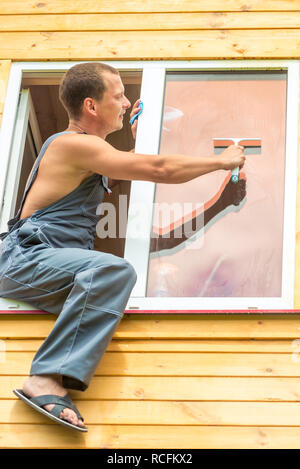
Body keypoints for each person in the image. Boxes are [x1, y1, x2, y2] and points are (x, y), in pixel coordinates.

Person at [0, 62, 245, 432]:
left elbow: (154, 234)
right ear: (91, 106)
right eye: (119, 96)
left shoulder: (90, 158)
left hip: (40, 263)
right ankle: (44, 379)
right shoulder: (71, 145)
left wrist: (220, 205)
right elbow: (159, 169)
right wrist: (222, 161)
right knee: (111, 271)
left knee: (109, 277)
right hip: (21, 258)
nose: (128, 102)